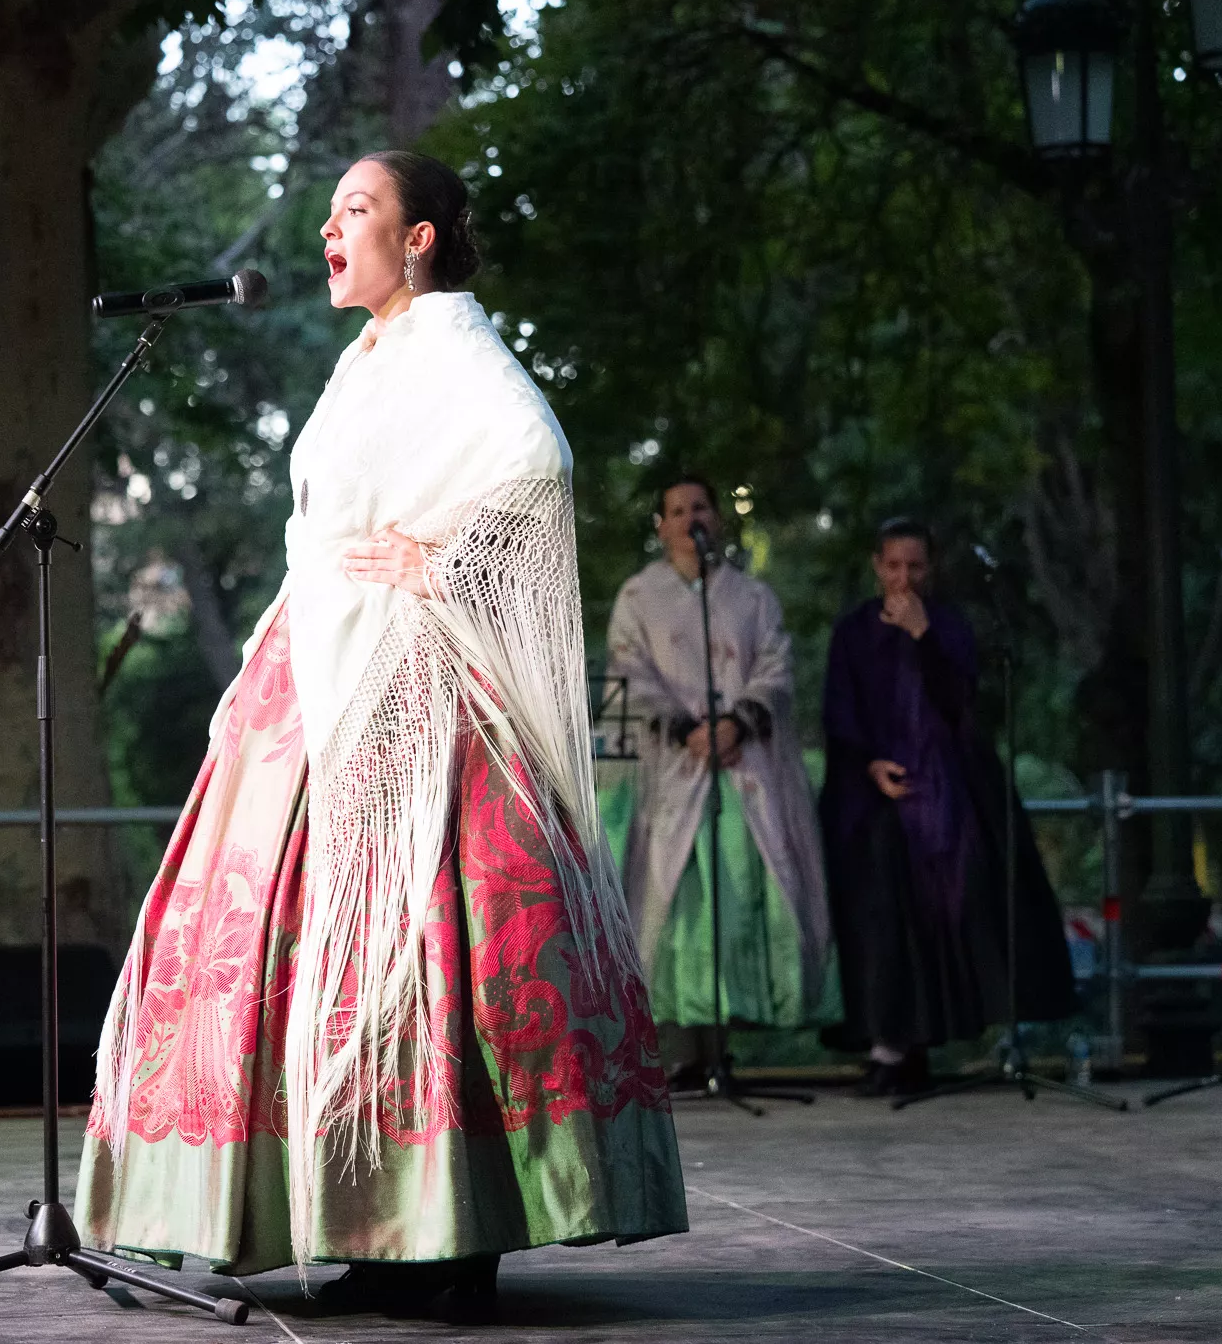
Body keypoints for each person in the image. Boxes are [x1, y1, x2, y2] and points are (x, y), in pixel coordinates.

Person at [77, 150, 685, 1320]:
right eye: (329, 209)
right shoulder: (366, 358)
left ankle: (451, 1236)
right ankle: (361, 1219)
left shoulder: (458, 349)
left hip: (416, 685)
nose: (327, 227)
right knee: (277, 943)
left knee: (436, 938)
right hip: (317, 665)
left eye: (356, 208)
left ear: (418, 239)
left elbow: (534, 466)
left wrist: (445, 566)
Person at [819, 518, 1078, 1095]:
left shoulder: (950, 626)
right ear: (876, 565)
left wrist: (922, 637)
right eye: (893, 566)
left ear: (929, 569)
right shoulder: (854, 632)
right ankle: (890, 1047)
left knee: (951, 915)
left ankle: (924, 1045)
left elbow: (962, 703)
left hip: (948, 800)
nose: (903, 578)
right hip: (877, 802)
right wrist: (869, 764)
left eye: (914, 567)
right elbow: (840, 710)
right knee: (883, 920)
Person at [602, 477, 841, 1084]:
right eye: (677, 511)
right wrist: (688, 728)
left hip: (744, 771)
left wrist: (737, 723)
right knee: (677, 905)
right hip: (674, 770)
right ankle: (683, 1049)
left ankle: (724, 1050)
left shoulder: (752, 597)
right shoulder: (638, 596)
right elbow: (629, 666)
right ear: (660, 526)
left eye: (699, 508)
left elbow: (776, 665)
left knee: (740, 896)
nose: (690, 519)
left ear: (718, 519)